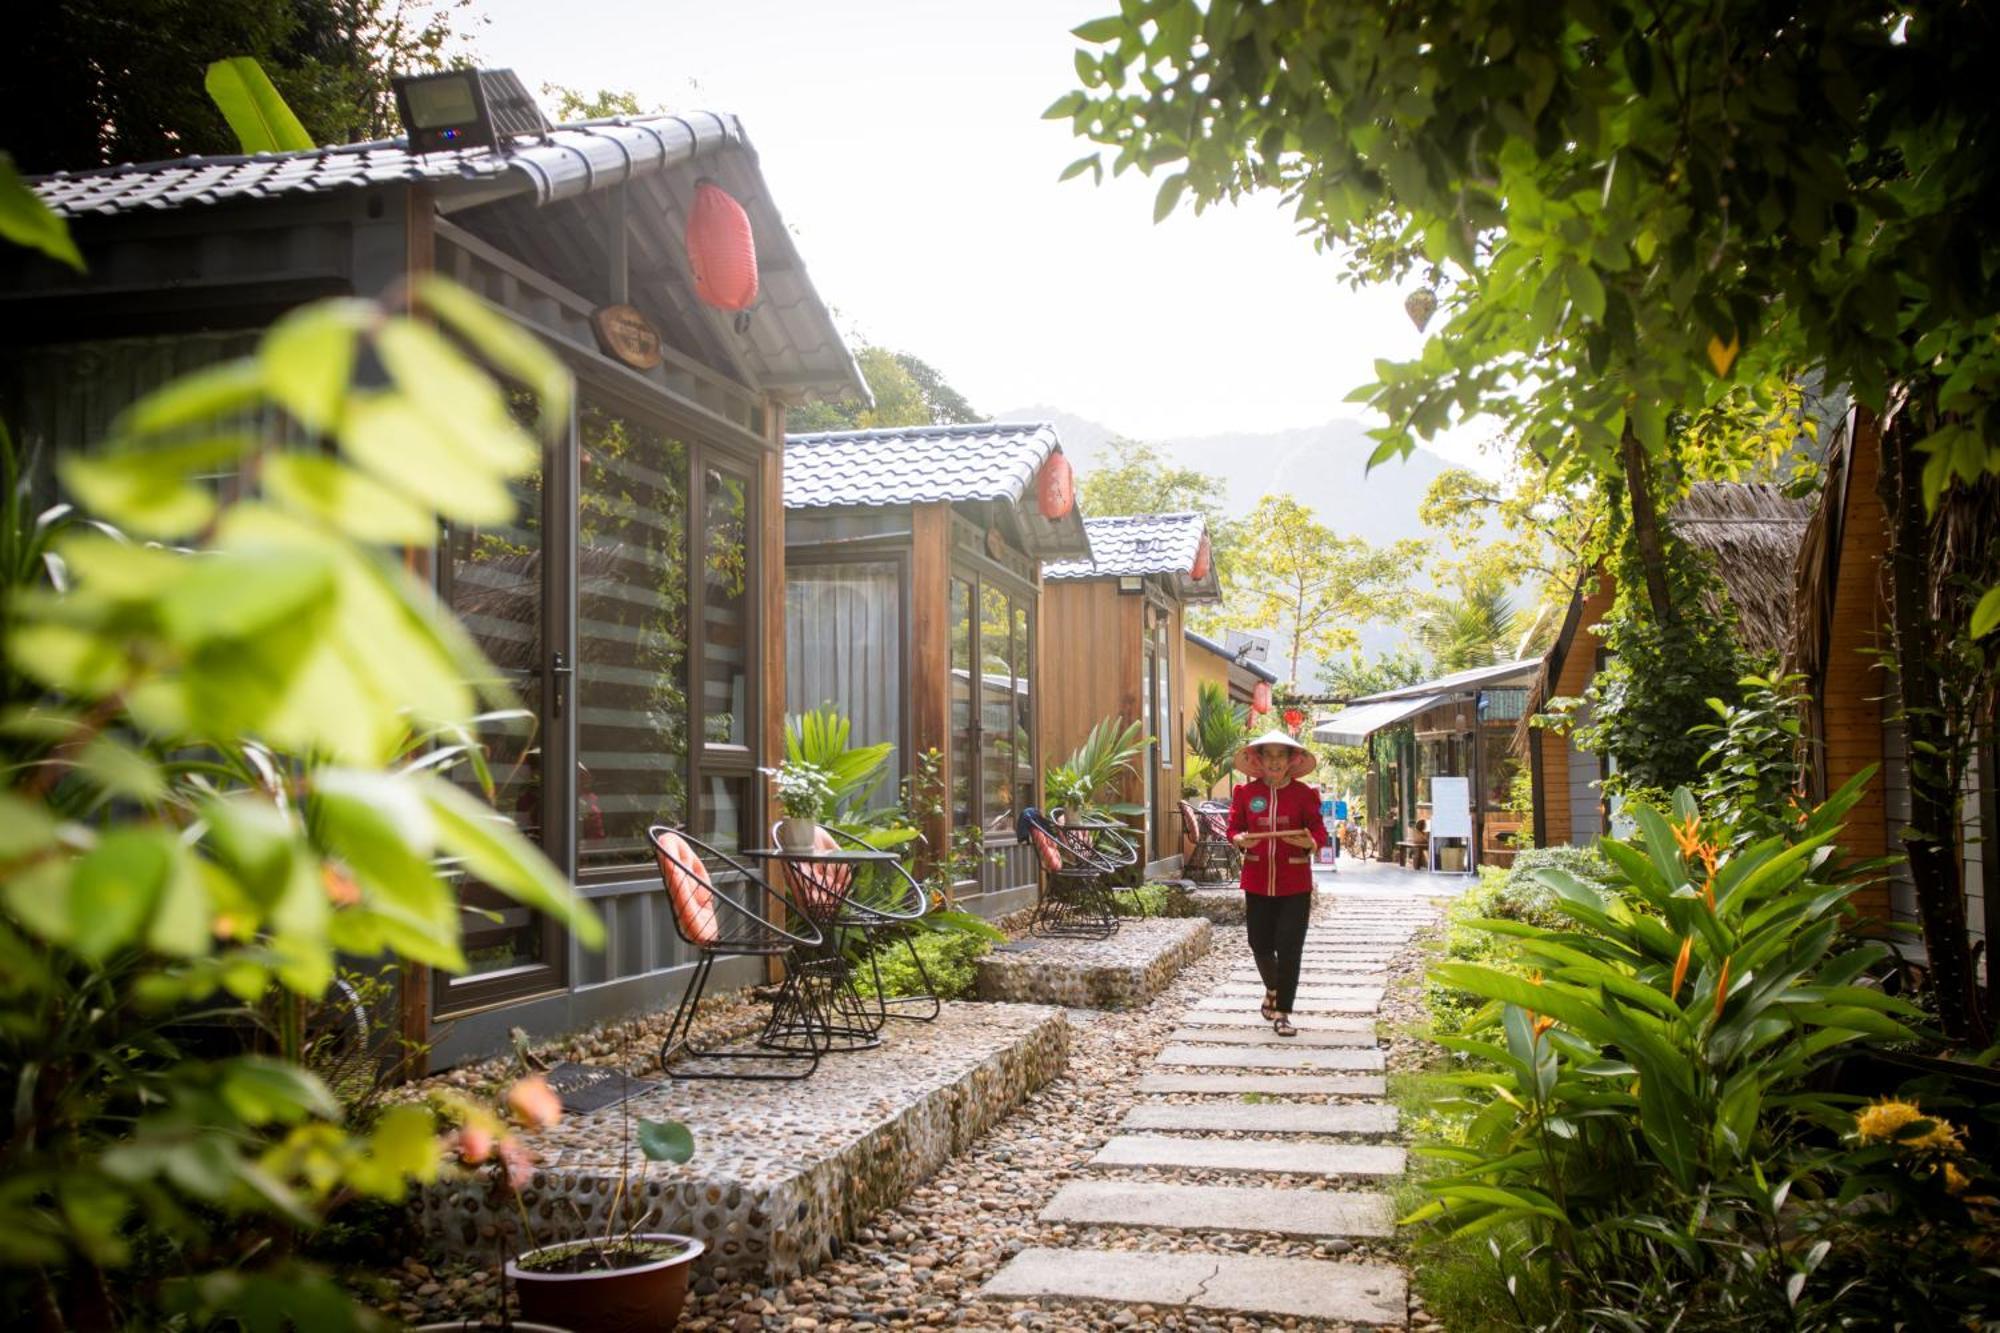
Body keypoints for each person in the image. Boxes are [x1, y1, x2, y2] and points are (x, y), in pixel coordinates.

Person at [1227, 730, 1329, 1037]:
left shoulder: (1304, 794)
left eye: (1280, 756)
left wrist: (1308, 842)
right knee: (1259, 943)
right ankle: (1274, 987)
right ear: (1258, 760)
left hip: (1295, 882)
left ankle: (1284, 1012)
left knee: (1289, 947)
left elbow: (1319, 834)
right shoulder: (1245, 794)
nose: (1274, 762)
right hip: (1257, 879)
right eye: (1268, 756)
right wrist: (1239, 840)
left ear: (1291, 760)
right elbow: (1234, 828)